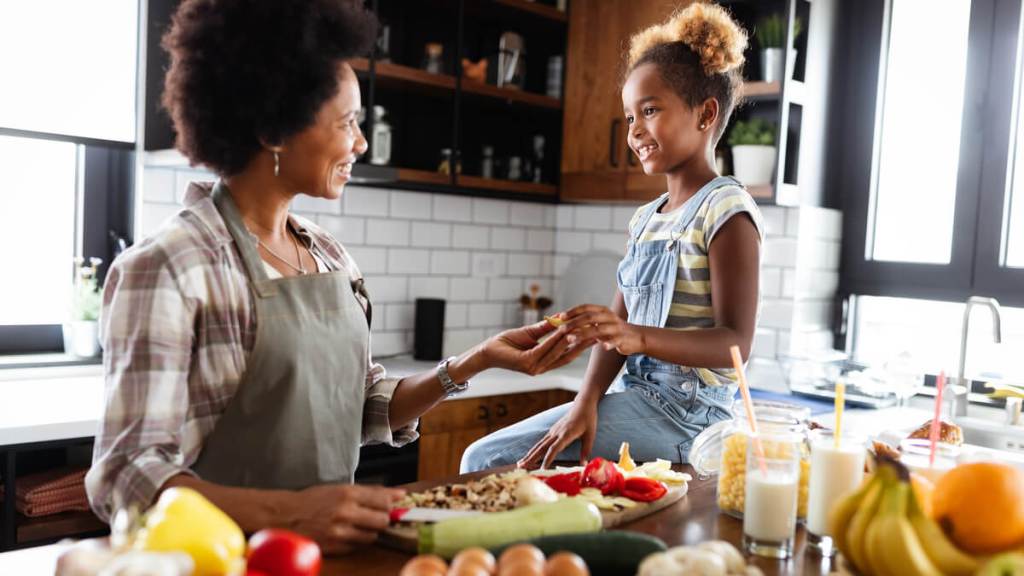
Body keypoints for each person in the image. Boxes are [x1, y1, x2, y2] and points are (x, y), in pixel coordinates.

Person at [84, 0, 590, 555]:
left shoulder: (328, 255)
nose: (361, 143)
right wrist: (292, 514)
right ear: (275, 128)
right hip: (215, 562)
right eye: (348, 122)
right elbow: (127, 479)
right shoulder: (170, 268)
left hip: (322, 558)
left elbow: (364, 404)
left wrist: (475, 361)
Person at [462, 3, 764, 473]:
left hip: (692, 418)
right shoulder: (646, 220)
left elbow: (736, 344)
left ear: (706, 114)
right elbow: (613, 332)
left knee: (489, 458)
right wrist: (586, 400)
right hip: (636, 399)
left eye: (649, 110)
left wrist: (636, 337)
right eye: (628, 117)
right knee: (506, 461)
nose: (635, 130)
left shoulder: (726, 210)